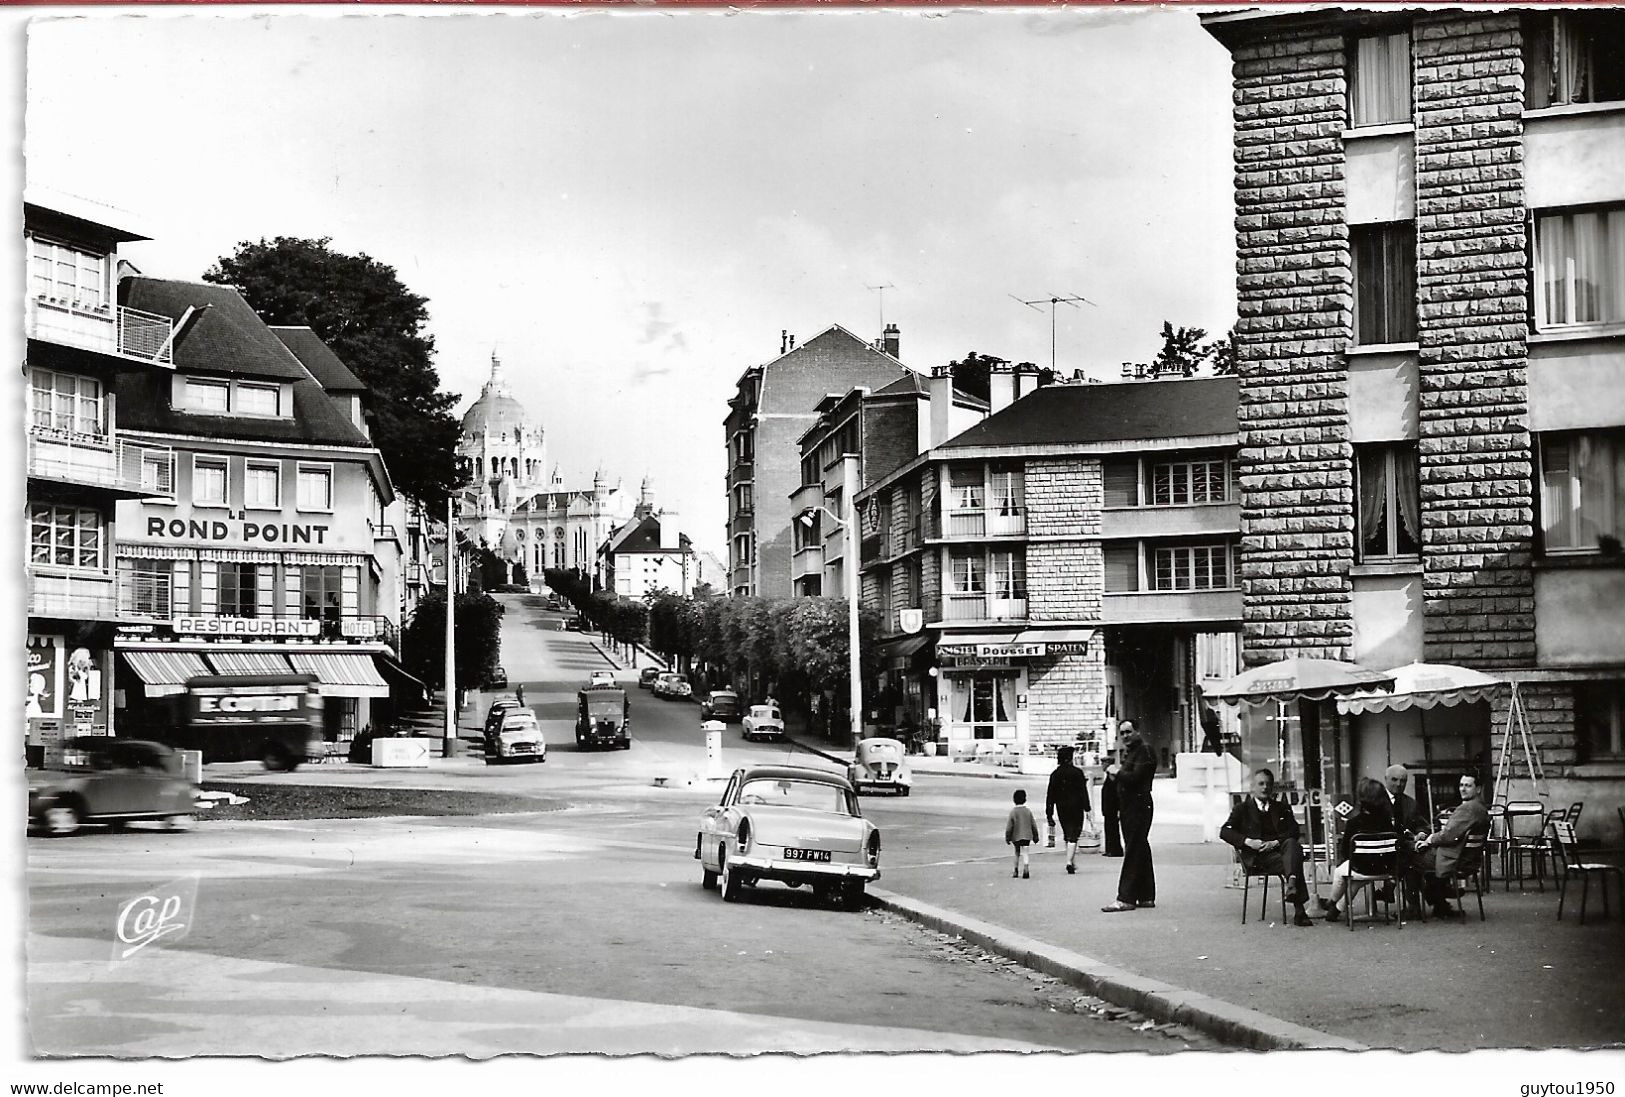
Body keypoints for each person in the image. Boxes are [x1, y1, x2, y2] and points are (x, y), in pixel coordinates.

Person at [1220, 768, 1316, 927]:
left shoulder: (1281, 807)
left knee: (1292, 846)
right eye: (1261, 784)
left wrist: (1276, 842)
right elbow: (1225, 831)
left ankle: (1292, 887)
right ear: (1253, 787)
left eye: (1268, 784)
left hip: (1278, 852)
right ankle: (1298, 907)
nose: (1265, 787)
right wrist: (1248, 841)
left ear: (1272, 787)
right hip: (1257, 858)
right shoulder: (1242, 809)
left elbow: (1294, 830)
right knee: (1293, 858)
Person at [1415, 773, 1492, 918]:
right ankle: (1440, 897)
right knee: (1419, 858)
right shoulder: (1480, 808)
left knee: (1411, 858)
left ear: (1478, 789)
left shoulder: (1468, 808)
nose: (1463, 789)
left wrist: (1429, 840)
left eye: (1468, 786)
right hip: (1469, 859)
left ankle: (1420, 904)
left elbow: (1447, 836)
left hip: (1456, 859)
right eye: (1461, 785)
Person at [1321, 777, 1395, 923]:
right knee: (1355, 882)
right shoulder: (1386, 822)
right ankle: (1336, 909)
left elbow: (1346, 850)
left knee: (1340, 873)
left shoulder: (1354, 823)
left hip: (1361, 867)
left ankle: (1332, 901)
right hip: (1386, 868)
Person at [1102, 721, 1156, 912]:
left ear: (1137, 732)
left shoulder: (1144, 751)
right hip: (1132, 806)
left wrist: (1117, 772)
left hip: (1138, 805)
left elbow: (1136, 778)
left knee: (1133, 849)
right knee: (1140, 847)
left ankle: (1126, 897)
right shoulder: (1133, 752)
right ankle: (1146, 895)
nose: (1125, 736)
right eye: (1122, 733)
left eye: (1128, 732)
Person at [1383, 764, 1426, 915]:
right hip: (1384, 850)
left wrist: (1421, 833)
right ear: (1386, 779)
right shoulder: (1377, 801)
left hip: (1404, 850)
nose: (1398, 784)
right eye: (1394, 780)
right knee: (1412, 857)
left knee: (1415, 858)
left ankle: (1393, 885)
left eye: (1403, 781)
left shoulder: (1410, 803)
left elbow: (1422, 824)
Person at [1045, 745, 1093, 875]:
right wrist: (1087, 808)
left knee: (1068, 833)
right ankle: (1069, 862)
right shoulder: (1077, 773)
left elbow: (1050, 795)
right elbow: (1083, 792)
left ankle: (1072, 860)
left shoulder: (1055, 774)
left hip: (1062, 808)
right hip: (1076, 807)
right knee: (1074, 835)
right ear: (1070, 758)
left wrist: (1049, 813)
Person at [1005, 789, 1040, 879]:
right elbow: (1033, 825)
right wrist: (1036, 836)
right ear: (1025, 799)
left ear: (1014, 800)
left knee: (1017, 852)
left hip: (1016, 836)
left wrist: (1007, 837)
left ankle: (1015, 870)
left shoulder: (1013, 812)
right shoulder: (1028, 811)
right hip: (1027, 836)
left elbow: (1009, 826)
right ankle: (1026, 869)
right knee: (1026, 852)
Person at [1099, 750, 1123, 857]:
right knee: (1109, 828)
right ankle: (1110, 849)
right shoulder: (1109, 775)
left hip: (1112, 807)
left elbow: (1115, 792)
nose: (1102, 765)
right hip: (1109, 807)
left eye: (1103, 763)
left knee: (1112, 829)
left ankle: (1114, 850)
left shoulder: (1111, 775)